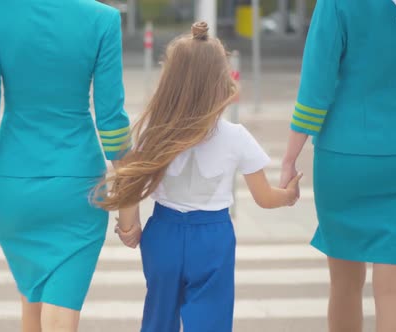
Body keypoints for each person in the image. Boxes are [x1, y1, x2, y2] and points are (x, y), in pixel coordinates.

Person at [95, 22, 302, 332]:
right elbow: (264, 198)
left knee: (158, 317)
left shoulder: (154, 131)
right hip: (213, 237)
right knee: (210, 321)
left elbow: (130, 180)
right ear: (222, 81)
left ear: (170, 81)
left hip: (162, 233)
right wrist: (288, 195)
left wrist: (129, 227)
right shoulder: (236, 137)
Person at [0, 0, 130, 331]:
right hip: (78, 185)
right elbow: (112, 120)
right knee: (62, 303)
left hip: (13, 185)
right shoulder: (104, 19)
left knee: (32, 298)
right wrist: (130, 201)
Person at [279, 1, 396, 331]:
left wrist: (289, 158)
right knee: (395, 291)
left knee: (344, 286)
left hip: (344, 156)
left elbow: (315, 86)